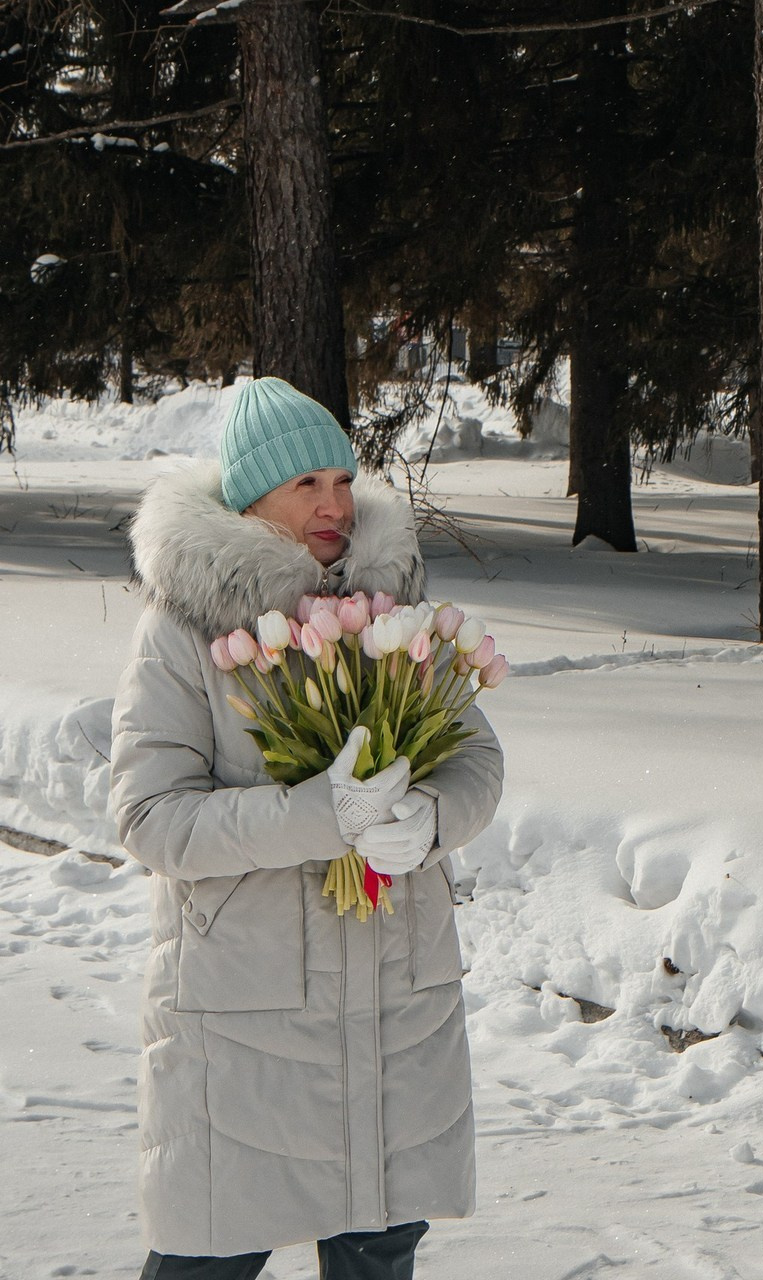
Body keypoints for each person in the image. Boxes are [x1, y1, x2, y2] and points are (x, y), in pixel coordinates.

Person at [110, 377, 504, 1280]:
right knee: (209, 1257)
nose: (333, 505)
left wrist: (429, 818)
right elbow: (150, 818)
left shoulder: (394, 601)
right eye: (304, 485)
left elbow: (475, 760)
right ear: (251, 497)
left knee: (378, 1250)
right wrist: (316, 818)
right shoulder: (181, 627)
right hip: (246, 1025)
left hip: (393, 1016)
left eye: (341, 478)